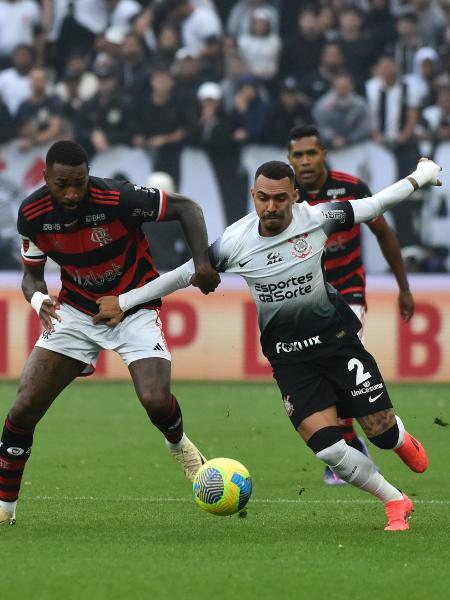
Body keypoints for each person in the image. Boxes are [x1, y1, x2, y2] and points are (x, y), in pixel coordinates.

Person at [95, 157, 442, 531]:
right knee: (328, 449)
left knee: (382, 432)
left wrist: (420, 176)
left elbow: (374, 205)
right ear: (253, 196)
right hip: (290, 360)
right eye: (263, 198)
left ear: (295, 196)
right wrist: (125, 302)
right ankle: (394, 500)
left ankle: (399, 437)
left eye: (280, 198)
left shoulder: (319, 218)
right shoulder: (235, 241)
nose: (271, 207)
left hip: (338, 345)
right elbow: (181, 277)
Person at [0, 140, 219, 526]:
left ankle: (180, 446)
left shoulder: (118, 198)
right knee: (23, 407)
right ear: (46, 177)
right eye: (62, 184)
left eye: (79, 183)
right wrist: (38, 303)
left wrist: (201, 263)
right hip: (75, 311)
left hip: (131, 307)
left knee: (154, 399)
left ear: (89, 176)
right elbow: (31, 278)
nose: (72, 193)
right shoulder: (31, 213)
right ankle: (4, 512)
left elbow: (188, 207)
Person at [287, 125, 415, 485]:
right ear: (289, 159)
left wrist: (403, 287)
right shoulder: (286, 198)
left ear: (324, 154)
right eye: (298, 155)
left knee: (337, 359)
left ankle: (357, 444)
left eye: (312, 153)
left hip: (348, 294)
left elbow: (384, 233)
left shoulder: (351, 188)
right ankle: (352, 442)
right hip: (305, 298)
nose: (306, 161)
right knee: (320, 371)